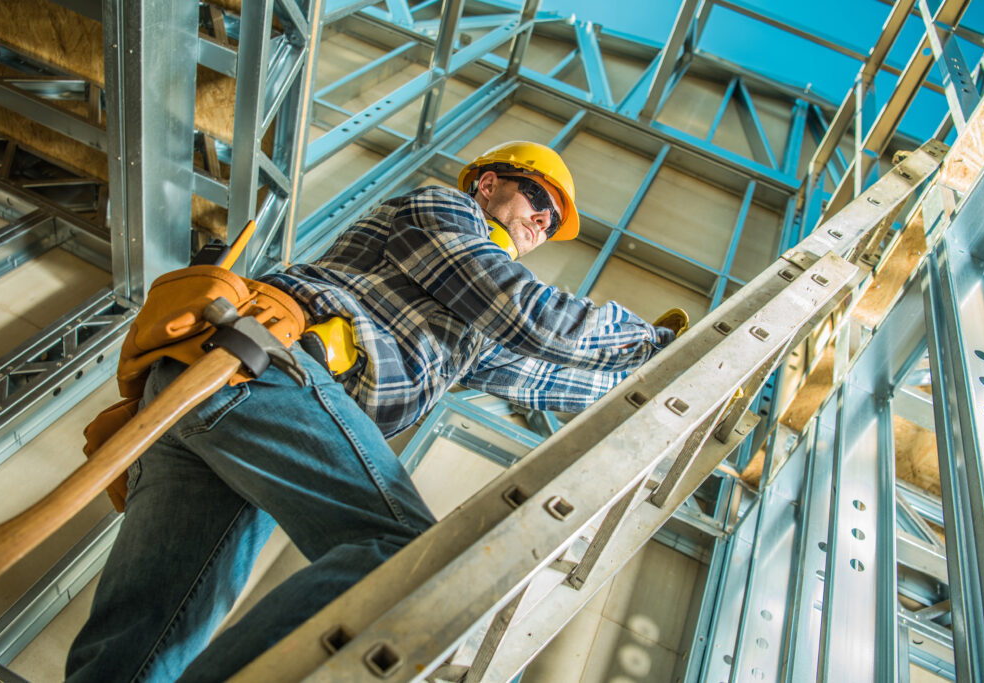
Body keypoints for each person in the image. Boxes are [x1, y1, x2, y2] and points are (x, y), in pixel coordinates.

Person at [65, 141, 677, 682]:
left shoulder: (470, 328)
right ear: (489, 183)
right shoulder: (442, 211)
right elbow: (530, 316)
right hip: (263, 370)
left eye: (552, 223)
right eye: (538, 199)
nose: (543, 222)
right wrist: (649, 341)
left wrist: (652, 377)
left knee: (140, 644)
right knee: (403, 561)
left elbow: (543, 377)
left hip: (231, 407)